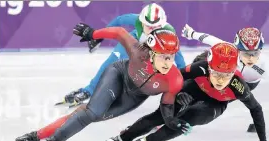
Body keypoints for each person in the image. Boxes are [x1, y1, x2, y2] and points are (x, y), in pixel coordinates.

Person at [7, 24, 189, 141]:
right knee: (91, 113)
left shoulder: (174, 80)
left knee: (85, 114)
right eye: (164, 57)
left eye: (171, 57)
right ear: (152, 53)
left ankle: (36, 135)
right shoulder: (137, 52)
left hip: (133, 98)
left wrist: (172, 121)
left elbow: (166, 106)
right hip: (118, 76)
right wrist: (93, 33)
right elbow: (119, 32)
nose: (168, 63)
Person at [98, 42, 269, 141]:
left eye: (226, 75)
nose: (220, 80)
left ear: (233, 72)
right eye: (216, 73)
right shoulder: (198, 69)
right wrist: (178, 94)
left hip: (216, 104)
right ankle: (123, 137)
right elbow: (172, 79)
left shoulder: (238, 85)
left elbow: (256, 110)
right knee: (159, 116)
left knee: (189, 119)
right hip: (194, 89)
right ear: (208, 67)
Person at [58, 3, 186, 107]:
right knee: (111, 63)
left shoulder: (168, 33)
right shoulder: (137, 20)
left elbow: (178, 58)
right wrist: (99, 37)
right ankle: (88, 90)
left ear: (161, 24)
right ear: (141, 21)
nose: (151, 29)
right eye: (147, 25)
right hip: (133, 41)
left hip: (151, 52)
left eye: (155, 27)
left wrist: (184, 83)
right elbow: (118, 21)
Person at [181, 24, 269, 138]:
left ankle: (188, 116)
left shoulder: (263, 67)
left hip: (243, 84)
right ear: (237, 49)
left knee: (210, 101)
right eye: (246, 54)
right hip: (226, 76)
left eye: (255, 53)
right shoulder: (230, 49)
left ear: (260, 50)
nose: (250, 58)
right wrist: (191, 33)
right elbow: (209, 39)